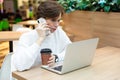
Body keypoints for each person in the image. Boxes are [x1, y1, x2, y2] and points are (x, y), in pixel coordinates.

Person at [12, 1, 71, 72]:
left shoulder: (58, 32)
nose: (57, 24)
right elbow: (20, 65)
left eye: (58, 20)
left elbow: (71, 50)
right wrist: (40, 38)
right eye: (53, 20)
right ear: (41, 20)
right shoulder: (27, 37)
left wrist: (57, 57)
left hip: (51, 74)